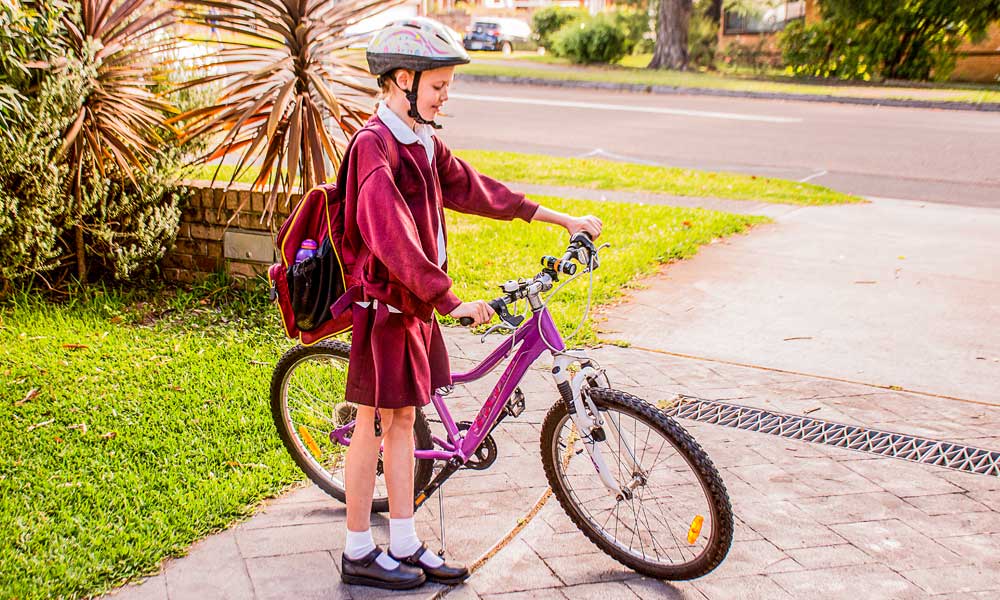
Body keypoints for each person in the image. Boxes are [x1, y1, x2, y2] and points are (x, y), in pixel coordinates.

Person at [339, 17, 602, 590]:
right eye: (437, 87)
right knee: (374, 424)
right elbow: (389, 236)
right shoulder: (373, 146)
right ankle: (359, 549)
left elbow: (475, 188)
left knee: (405, 421)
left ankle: (404, 543)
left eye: (447, 87)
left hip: (412, 311)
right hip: (386, 309)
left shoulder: (422, 141)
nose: (444, 96)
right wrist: (450, 299)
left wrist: (559, 218)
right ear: (401, 80)